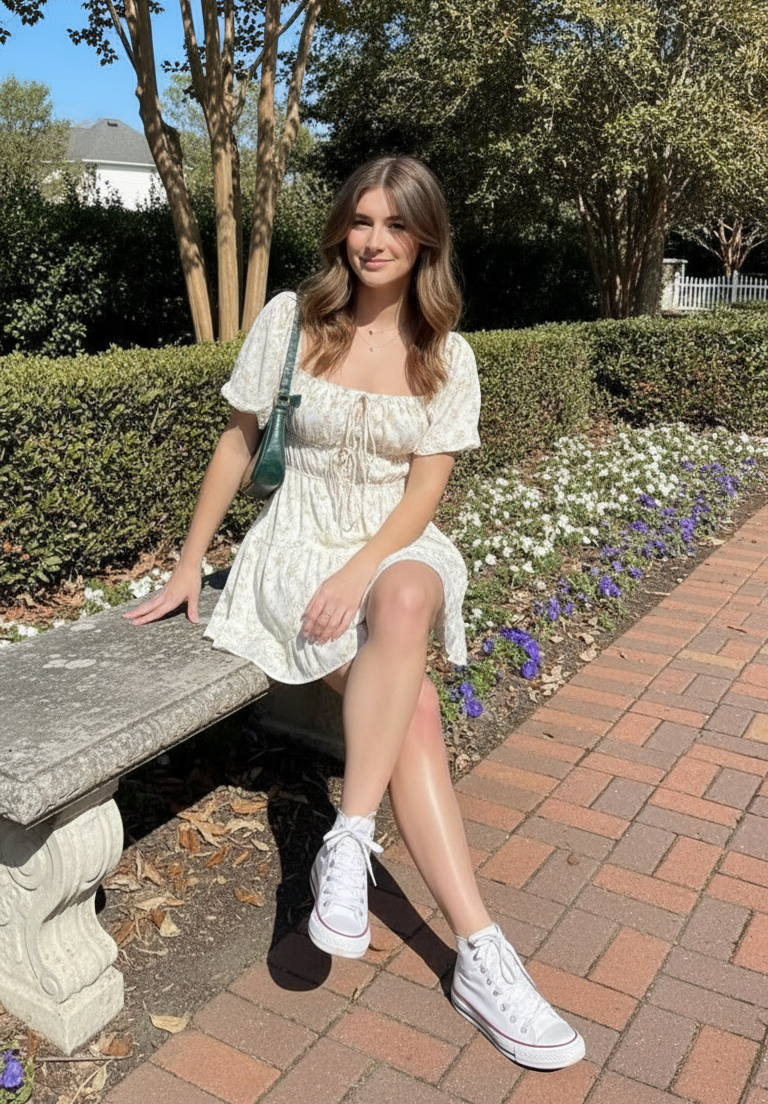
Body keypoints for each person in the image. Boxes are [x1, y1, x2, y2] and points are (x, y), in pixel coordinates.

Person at [126, 156, 585, 1072]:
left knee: (405, 594)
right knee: (414, 709)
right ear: (342, 229)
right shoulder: (291, 321)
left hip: (393, 545)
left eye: (396, 225)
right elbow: (238, 441)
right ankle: (479, 949)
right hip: (296, 546)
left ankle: (348, 836)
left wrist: (364, 568)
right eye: (362, 221)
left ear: (426, 240)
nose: (375, 241)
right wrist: (188, 565)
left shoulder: (448, 355)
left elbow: (423, 497)